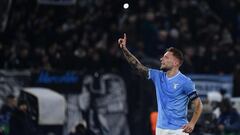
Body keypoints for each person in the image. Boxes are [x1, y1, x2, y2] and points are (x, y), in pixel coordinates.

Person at [118, 33, 203, 135]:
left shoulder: (185, 82)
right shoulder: (157, 76)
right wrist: (125, 50)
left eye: (166, 57)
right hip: (161, 129)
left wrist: (192, 123)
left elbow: (198, 104)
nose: (161, 59)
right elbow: (138, 67)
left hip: (179, 130)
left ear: (176, 63)